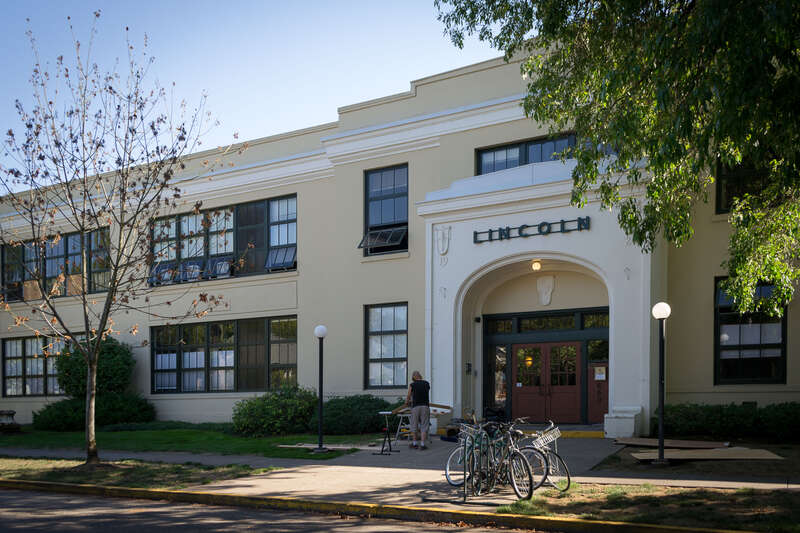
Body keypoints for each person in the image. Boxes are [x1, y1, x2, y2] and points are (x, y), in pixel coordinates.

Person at [405, 370, 430, 450]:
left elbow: (408, 396)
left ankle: (415, 443)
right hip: (425, 406)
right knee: (424, 425)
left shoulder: (412, 384)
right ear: (420, 376)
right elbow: (425, 393)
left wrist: (407, 402)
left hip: (415, 407)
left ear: (414, 377)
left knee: (414, 425)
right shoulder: (426, 383)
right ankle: (422, 445)